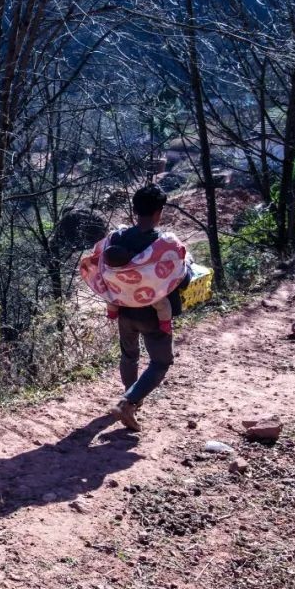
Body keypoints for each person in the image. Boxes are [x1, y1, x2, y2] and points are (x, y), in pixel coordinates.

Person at [107, 185, 188, 431]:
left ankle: (131, 400)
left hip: (124, 311)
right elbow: (180, 280)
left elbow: (107, 273)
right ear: (158, 213)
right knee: (161, 362)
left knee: (129, 356)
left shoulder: (118, 239)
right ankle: (129, 402)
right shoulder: (163, 244)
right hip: (153, 315)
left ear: (135, 209)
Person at [102, 244, 173, 335]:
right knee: (163, 304)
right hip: (145, 296)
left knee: (111, 298)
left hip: (123, 297)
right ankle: (165, 323)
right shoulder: (139, 268)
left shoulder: (107, 274)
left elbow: (109, 293)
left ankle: (112, 313)